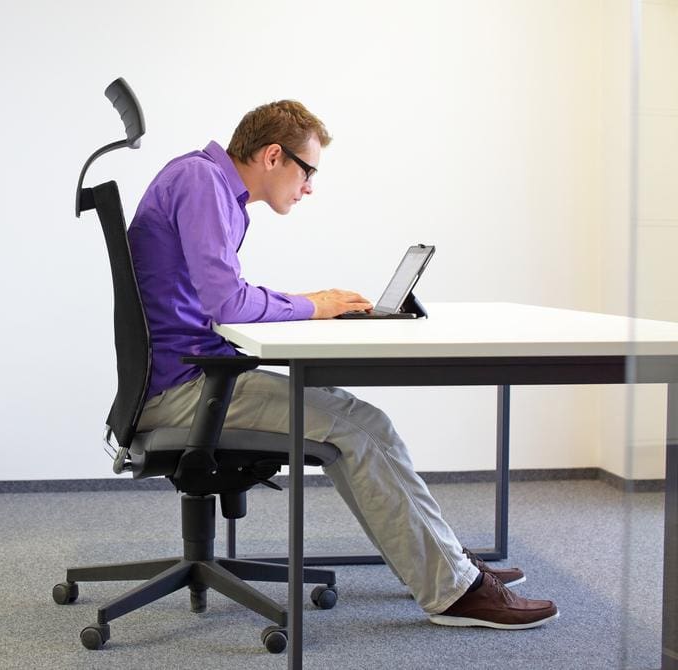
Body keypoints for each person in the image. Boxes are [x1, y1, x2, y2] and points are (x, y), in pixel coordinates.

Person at [127, 100, 558, 630]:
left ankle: (446, 564)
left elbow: (223, 296)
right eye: (307, 170)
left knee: (369, 423)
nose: (308, 186)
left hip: (190, 376)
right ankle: (452, 591)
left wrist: (311, 299)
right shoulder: (202, 182)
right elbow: (227, 303)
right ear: (272, 156)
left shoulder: (204, 180)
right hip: (186, 390)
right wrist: (315, 304)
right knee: (358, 430)